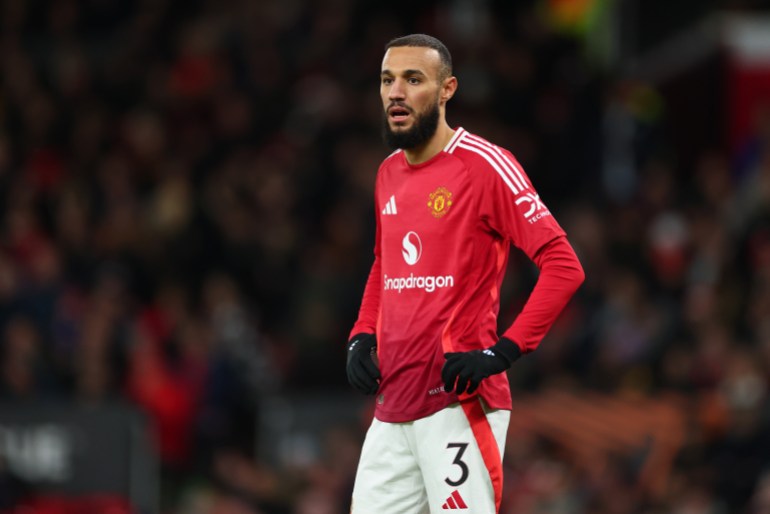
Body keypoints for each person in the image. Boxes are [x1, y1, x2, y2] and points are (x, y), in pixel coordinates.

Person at [345, 34, 585, 514]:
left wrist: (504, 351)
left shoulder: (485, 166)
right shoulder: (388, 172)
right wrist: (361, 333)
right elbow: (383, 263)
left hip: (457, 405)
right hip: (392, 408)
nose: (396, 92)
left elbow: (564, 266)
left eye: (414, 80)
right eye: (387, 80)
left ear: (446, 89)